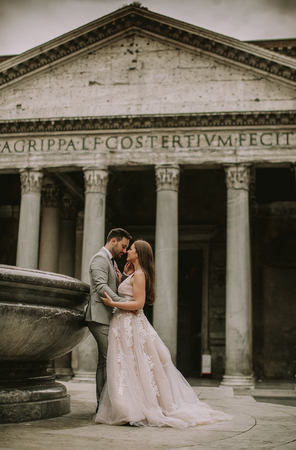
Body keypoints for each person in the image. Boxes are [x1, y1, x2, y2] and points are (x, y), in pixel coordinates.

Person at [95, 240, 232, 428]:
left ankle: (136, 408)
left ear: (139, 254)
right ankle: (127, 407)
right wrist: (124, 278)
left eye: (132, 249)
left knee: (135, 364)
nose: (128, 251)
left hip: (131, 323)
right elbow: (130, 295)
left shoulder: (140, 275)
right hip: (123, 324)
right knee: (128, 365)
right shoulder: (135, 273)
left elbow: (138, 304)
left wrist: (113, 304)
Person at [85, 228, 133, 413]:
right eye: (123, 246)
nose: (124, 250)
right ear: (113, 240)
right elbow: (100, 285)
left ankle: (104, 405)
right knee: (108, 360)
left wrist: (125, 276)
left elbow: (114, 285)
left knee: (105, 362)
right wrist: (122, 303)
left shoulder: (111, 261)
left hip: (106, 316)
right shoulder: (99, 258)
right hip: (98, 317)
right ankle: (104, 406)